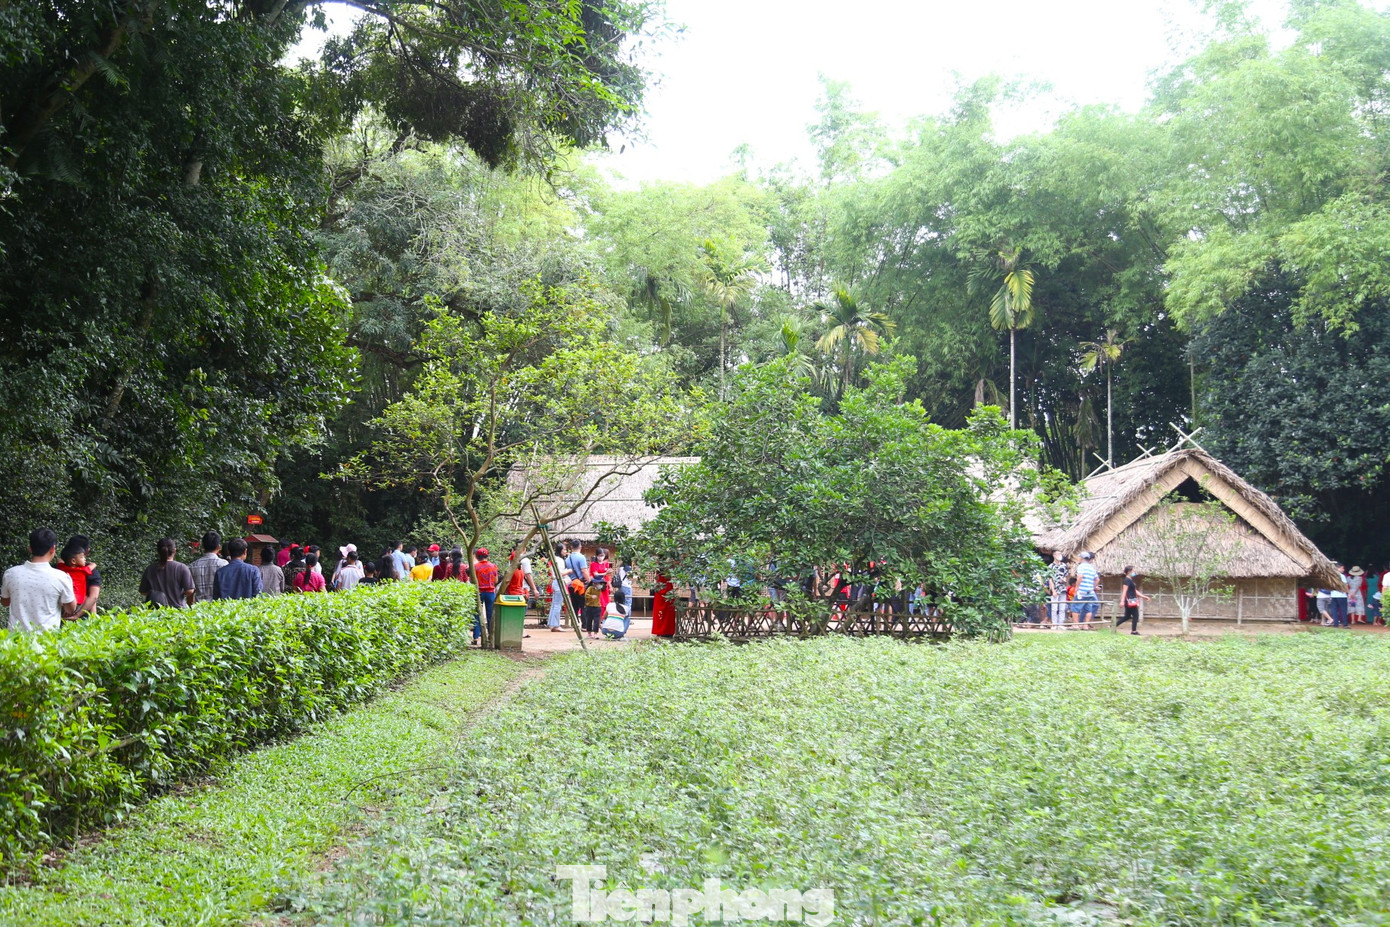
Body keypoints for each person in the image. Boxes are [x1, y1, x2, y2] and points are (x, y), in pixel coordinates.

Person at [2, 527, 77, 631]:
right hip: (46, 642)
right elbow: (70, 609)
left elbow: (5, 602)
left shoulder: (10, 574)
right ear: (53, 549)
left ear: (30, 548)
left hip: (15, 641)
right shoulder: (61, 577)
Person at [139, 537, 196, 608]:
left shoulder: (150, 569)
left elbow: (143, 592)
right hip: (177, 611)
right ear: (174, 551)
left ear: (158, 551)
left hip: (155, 612)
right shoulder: (182, 567)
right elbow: (190, 590)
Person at [55, 535, 102, 619]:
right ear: (87, 551)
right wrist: (76, 616)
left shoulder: (57, 567)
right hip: (81, 614)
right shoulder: (89, 571)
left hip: (57, 611)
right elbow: (94, 597)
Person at [190, 530, 227, 603]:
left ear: (202, 546)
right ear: (219, 547)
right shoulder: (224, 564)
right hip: (218, 608)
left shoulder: (193, 566)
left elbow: (191, 592)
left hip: (198, 610)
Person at [473, 548, 498, 645]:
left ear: (477, 556)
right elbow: (496, 581)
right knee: (490, 614)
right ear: (487, 556)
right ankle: (491, 636)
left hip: (479, 592)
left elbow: (472, 580)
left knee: (477, 614)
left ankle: (475, 637)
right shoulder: (493, 566)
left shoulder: (475, 567)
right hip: (490, 592)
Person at [1117, 565, 1150, 635]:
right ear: (1129, 572)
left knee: (1127, 616)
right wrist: (1122, 601)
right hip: (1129, 600)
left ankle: (1112, 626)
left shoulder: (1130, 580)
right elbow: (1124, 591)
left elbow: (1135, 591)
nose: (1134, 572)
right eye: (1133, 571)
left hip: (1132, 599)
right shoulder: (1126, 580)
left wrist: (1144, 596)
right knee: (1136, 615)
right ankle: (1134, 631)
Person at [564, 539, 590, 626]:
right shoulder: (581, 557)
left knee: (574, 604)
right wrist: (590, 581)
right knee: (583, 605)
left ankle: (574, 623)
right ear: (580, 546)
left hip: (572, 584)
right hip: (581, 584)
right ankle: (584, 624)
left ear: (571, 547)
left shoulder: (567, 559)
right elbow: (584, 571)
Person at [547, 542, 571, 632]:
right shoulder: (559, 560)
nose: (566, 551)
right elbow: (560, 573)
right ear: (560, 550)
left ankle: (552, 623)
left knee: (554, 604)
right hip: (558, 582)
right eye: (564, 549)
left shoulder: (554, 559)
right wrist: (569, 571)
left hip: (555, 582)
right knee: (557, 605)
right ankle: (555, 625)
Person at [1074, 552, 1100, 626]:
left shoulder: (1081, 566)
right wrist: (1093, 587)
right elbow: (1097, 579)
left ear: (1081, 558)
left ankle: (1077, 624)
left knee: (1075, 608)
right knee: (1088, 608)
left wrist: (1077, 588)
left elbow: (1080, 577)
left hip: (1082, 591)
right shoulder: (1091, 568)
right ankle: (1085, 625)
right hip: (1090, 591)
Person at [1047, 551, 1069, 630]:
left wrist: (1064, 579)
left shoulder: (1063, 565)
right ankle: (1054, 624)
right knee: (1054, 608)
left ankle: (1061, 624)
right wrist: (1053, 590)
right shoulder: (1050, 566)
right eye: (1058, 554)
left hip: (1062, 589)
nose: (1060, 555)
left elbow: (1066, 575)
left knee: (1062, 607)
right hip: (1055, 589)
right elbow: (1050, 580)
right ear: (1054, 555)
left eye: (1060, 554)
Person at [1328, 563, 1350, 628]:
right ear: (1338, 568)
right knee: (1343, 610)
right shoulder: (1342, 576)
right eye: (1342, 568)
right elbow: (1345, 585)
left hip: (1333, 595)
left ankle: (1335, 624)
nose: (1343, 569)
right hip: (1342, 595)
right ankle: (1345, 624)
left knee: (1334, 610)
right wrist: (1348, 593)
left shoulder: (1331, 576)